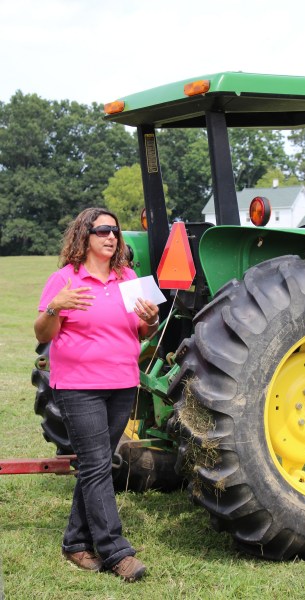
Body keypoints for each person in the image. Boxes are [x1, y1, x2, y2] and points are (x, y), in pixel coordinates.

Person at [34, 207, 160, 583]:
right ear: (84, 236)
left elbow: (142, 332)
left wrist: (151, 319)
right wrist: (56, 306)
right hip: (79, 386)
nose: (111, 237)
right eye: (103, 230)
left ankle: (75, 542)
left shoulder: (129, 278)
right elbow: (42, 333)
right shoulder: (65, 279)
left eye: (115, 232)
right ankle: (115, 551)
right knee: (97, 464)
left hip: (121, 383)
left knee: (97, 463)